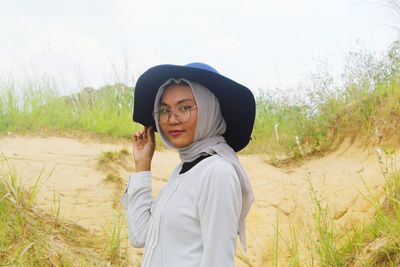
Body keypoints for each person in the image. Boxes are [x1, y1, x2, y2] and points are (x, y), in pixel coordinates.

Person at [121, 62, 256, 267]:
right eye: (164, 110)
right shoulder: (183, 171)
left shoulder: (216, 172)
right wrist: (142, 165)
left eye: (184, 108)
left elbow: (218, 262)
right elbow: (140, 235)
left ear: (209, 110)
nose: (172, 119)